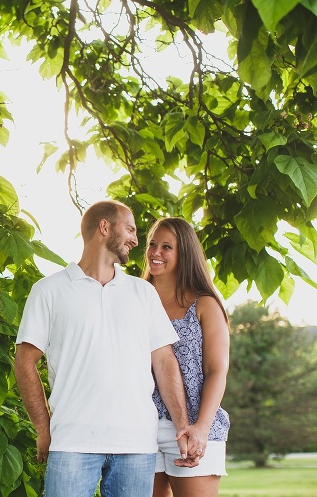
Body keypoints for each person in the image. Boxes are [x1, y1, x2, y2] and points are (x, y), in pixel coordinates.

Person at [14, 200, 199, 497]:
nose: (136, 240)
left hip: (136, 445)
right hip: (72, 442)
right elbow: (24, 362)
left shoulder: (143, 292)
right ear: (104, 227)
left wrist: (182, 427)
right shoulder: (48, 290)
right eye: (129, 229)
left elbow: (164, 362)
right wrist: (44, 430)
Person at [143, 217, 230, 497]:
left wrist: (202, 428)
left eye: (166, 246)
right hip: (139, 427)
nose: (156, 252)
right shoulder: (136, 300)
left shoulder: (204, 304)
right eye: (152, 244)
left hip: (193, 426)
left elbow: (217, 370)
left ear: (185, 254)